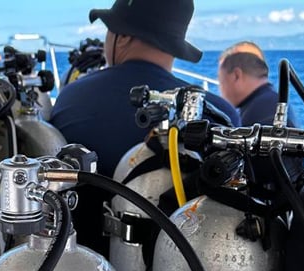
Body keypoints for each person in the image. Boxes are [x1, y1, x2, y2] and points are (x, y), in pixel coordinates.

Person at [49, 0, 240, 255]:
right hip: (183, 268)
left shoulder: (71, 97)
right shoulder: (220, 113)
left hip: (79, 260)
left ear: (123, 37)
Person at [217, 41, 304, 182]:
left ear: (236, 75)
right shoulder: (270, 101)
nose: (220, 90)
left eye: (221, 82)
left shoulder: (261, 112)